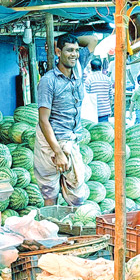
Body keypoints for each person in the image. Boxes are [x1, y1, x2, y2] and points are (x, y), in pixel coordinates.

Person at [34, 33, 99, 206]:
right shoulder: (48, 81)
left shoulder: (78, 67)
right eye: (69, 50)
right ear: (58, 52)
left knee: (77, 195)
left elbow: (93, 40)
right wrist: (58, 152)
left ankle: (74, 230)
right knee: (50, 192)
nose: (74, 54)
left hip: (71, 139)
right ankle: (50, 229)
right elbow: (43, 120)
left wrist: (67, 39)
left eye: (76, 50)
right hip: (50, 143)